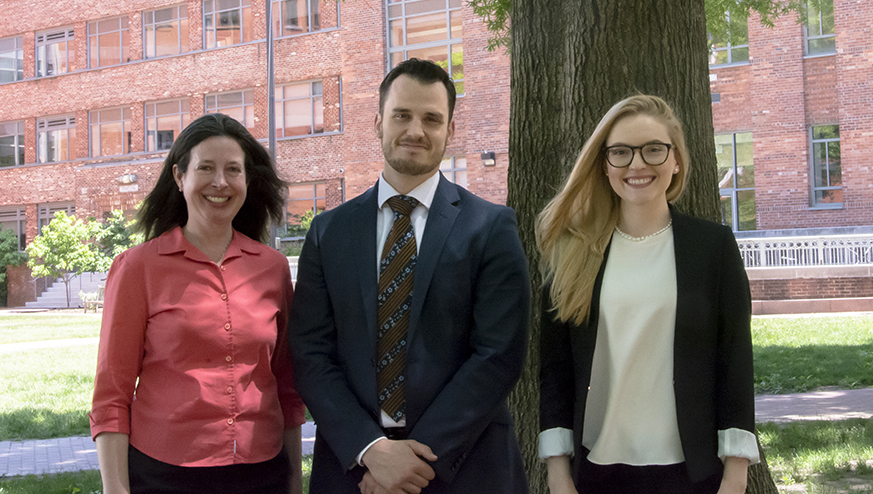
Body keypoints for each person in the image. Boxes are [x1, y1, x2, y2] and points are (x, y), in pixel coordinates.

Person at [289, 58, 531, 494]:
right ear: (379, 121)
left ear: (450, 131)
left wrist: (411, 462)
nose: (415, 130)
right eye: (402, 115)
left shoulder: (490, 227)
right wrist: (372, 450)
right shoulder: (330, 231)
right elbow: (310, 352)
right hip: (355, 471)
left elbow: (497, 355)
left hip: (464, 466)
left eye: (432, 118)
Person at [536, 95, 759, 494]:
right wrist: (557, 470)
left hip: (691, 471)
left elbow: (735, 361)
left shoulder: (712, 248)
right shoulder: (574, 251)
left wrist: (736, 473)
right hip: (596, 469)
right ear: (604, 165)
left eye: (654, 150)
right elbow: (555, 370)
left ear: (676, 161)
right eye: (621, 152)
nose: (637, 164)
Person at [89, 113, 306, 494]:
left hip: (262, 471)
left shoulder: (272, 268)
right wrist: (115, 489)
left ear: (247, 181)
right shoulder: (138, 268)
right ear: (179, 177)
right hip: (164, 474)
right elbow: (112, 395)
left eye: (233, 170)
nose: (220, 182)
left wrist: (292, 480)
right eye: (206, 168)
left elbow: (286, 385)